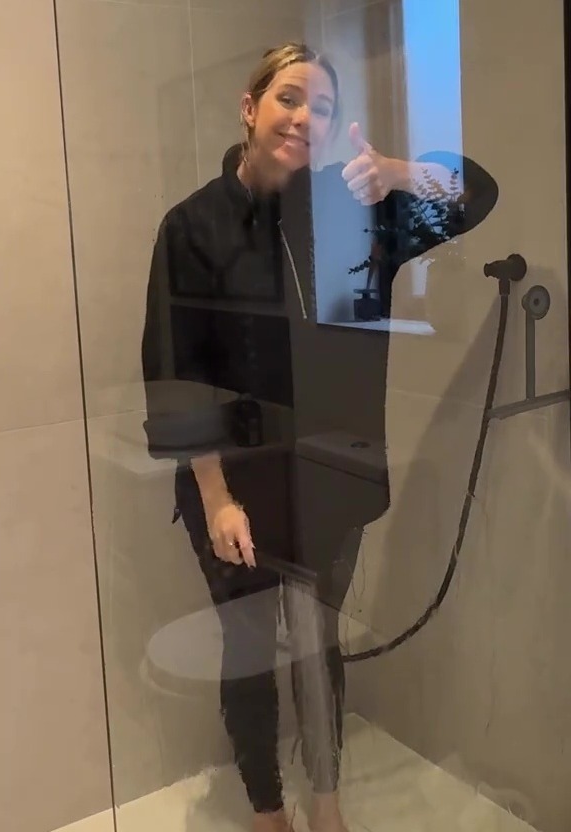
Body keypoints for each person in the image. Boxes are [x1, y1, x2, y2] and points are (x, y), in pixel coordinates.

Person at [142, 42, 498, 832]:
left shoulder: (353, 208)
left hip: (330, 478)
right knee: (248, 659)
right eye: (290, 98)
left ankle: (328, 810)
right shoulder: (193, 227)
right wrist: (216, 500)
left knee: (318, 649)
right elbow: (177, 374)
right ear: (250, 106)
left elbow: (477, 192)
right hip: (232, 486)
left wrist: (399, 172)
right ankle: (270, 812)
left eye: (324, 107)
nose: (307, 117)